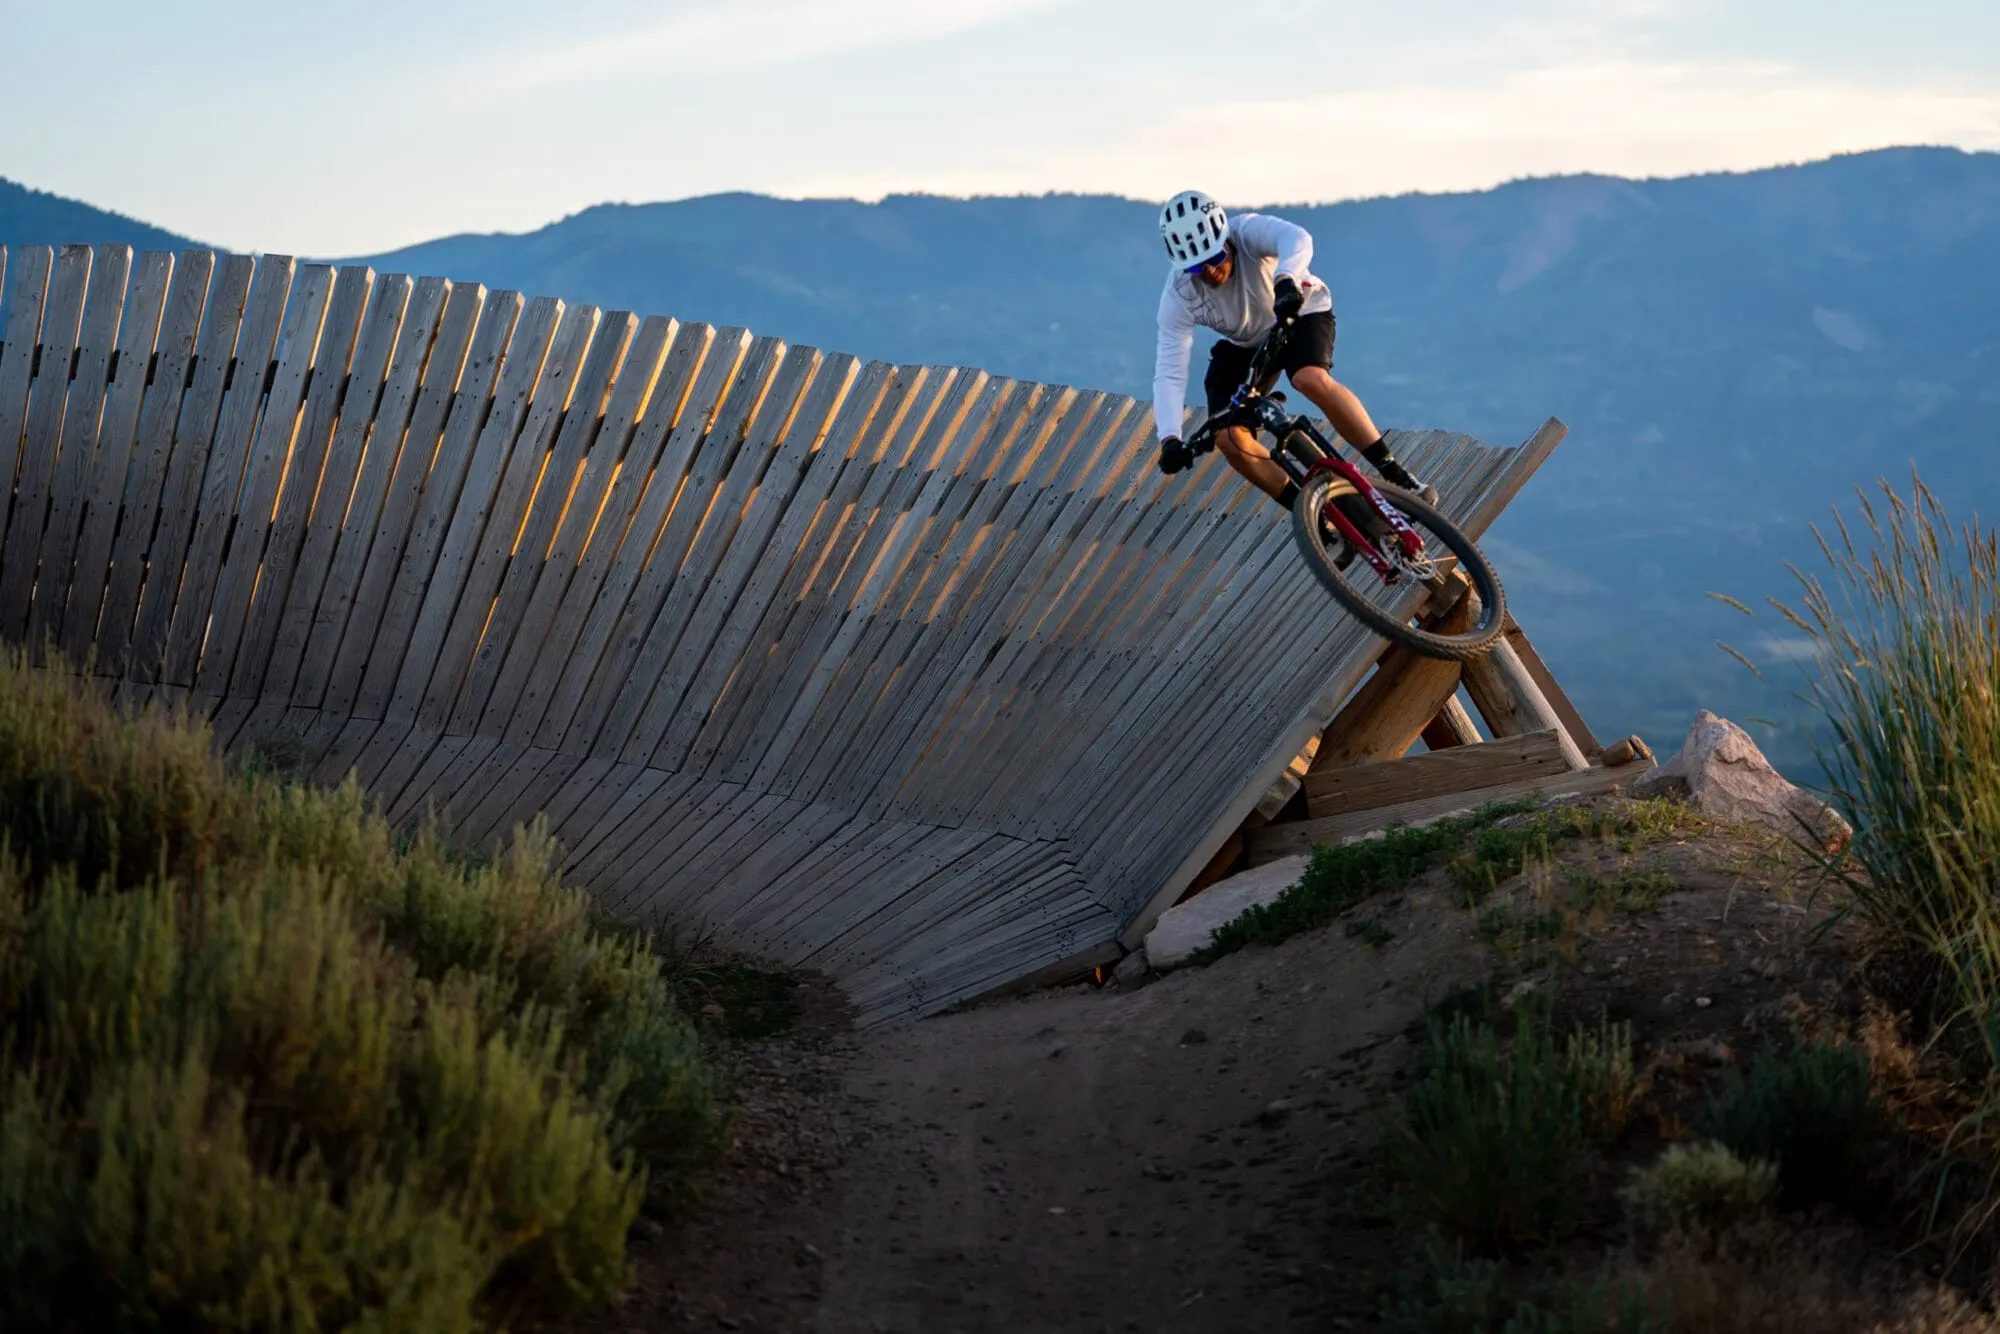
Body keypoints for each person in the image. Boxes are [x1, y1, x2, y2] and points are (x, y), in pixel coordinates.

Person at [1151, 189, 1431, 511]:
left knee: (1308, 378)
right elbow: (1170, 371)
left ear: (1225, 240)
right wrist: (1170, 438)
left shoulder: (1246, 232)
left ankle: (1394, 473)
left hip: (1298, 312)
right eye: (1197, 268)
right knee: (1227, 438)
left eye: (1215, 258)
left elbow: (1297, 238)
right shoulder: (1179, 295)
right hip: (1246, 343)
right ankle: (1309, 514)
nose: (1209, 272)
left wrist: (1287, 279)